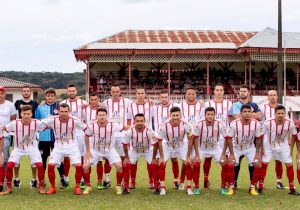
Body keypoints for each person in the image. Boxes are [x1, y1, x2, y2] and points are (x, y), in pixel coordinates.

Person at [42, 103, 87, 195]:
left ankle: (77, 187)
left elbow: (86, 128)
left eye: (66, 111)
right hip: (58, 146)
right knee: (50, 166)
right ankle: (53, 187)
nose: (63, 113)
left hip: (72, 146)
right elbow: (39, 123)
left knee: (78, 165)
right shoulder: (53, 120)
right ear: (58, 111)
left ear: (69, 112)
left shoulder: (75, 120)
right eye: (61, 111)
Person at [1, 105, 46, 195]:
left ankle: (41, 186)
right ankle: (9, 188)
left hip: (32, 148)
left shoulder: (37, 122)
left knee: (40, 166)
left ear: (31, 114)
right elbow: (4, 128)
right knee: (9, 166)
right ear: (21, 114)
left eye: (28, 114)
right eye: (24, 113)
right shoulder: (14, 123)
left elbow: (48, 126)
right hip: (18, 148)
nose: (26, 116)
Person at [83, 108, 127, 195]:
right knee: (85, 166)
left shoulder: (113, 125)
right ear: (97, 116)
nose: (102, 117)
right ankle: (88, 186)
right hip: (95, 150)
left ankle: (118, 186)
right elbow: (86, 136)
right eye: (100, 115)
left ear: (107, 116)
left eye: (103, 115)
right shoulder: (91, 125)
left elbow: (124, 127)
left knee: (119, 166)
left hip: (110, 150)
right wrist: (88, 151)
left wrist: (135, 127)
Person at [193, 107, 234, 195]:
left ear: (214, 115)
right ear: (205, 115)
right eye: (208, 114)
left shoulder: (220, 124)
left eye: (212, 114)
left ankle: (223, 187)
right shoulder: (199, 124)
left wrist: (223, 154)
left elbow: (227, 138)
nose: (210, 116)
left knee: (224, 163)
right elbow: (195, 139)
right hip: (201, 148)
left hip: (215, 148)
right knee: (196, 164)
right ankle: (196, 187)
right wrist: (196, 154)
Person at [259, 105, 300, 195]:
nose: (280, 115)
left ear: (285, 114)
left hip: (283, 145)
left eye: (282, 113)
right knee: (264, 164)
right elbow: (261, 135)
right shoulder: (268, 122)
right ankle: (261, 187)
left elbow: (294, 135)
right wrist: (261, 148)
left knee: (289, 164)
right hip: (269, 145)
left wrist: (291, 148)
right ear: (275, 114)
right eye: (278, 113)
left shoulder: (290, 123)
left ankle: (292, 188)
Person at [156, 107, 195, 195]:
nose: (175, 117)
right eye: (173, 115)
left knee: (188, 163)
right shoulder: (163, 126)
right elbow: (159, 141)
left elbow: (190, 139)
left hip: (181, 146)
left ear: (180, 115)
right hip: (167, 146)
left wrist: (188, 156)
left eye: (177, 115)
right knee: (161, 164)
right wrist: (161, 157)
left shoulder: (186, 125)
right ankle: (162, 188)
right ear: (170, 116)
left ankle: (188, 187)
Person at [229, 84, 262, 189]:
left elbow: (260, 117)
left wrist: (246, 114)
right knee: (235, 163)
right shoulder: (235, 105)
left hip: (250, 139)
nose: (242, 93)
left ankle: (252, 184)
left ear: (249, 93)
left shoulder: (254, 105)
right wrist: (252, 115)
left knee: (253, 162)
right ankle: (234, 183)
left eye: (244, 91)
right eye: (241, 91)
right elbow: (236, 117)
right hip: (238, 139)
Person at [201, 83, 232, 189]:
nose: (219, 92)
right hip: (211, 134)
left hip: (224, 135)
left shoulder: (229, 103)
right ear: (214, 92)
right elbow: (202, 118)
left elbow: (231, 118)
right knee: (208, 157)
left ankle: (226, 182)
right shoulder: (208, 103)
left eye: (221, 90)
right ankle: (206, 179)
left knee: (225, 159)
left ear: (223, 92)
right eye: (217, 90)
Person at [102, 83, 132, 188]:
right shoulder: (106, 102)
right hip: (110, 133)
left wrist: (148, 100)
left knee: (124, 156)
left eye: (117, 92)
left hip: (123, 133)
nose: (115, 93)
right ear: (110, 92)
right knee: (107, 156)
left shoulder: (127, 101)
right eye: (113, 92)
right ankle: (107, 180)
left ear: (120, 92)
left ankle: (124, 180)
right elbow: (98, 108)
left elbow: (138, 102)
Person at [35, 88, 66, 188]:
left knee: (57, 160)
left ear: (55, 96)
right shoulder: (40, 107)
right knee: (43, 160)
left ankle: (62, 179)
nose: (50, 97)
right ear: (45, 96)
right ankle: (42, 181)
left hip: (56, 138)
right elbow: (37, 120)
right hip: (43, 138)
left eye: (52, 95)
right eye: (48, 95)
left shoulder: (59, 106)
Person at [61, 83, 88, 189]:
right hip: (67, 132)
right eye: (69, 91)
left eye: (73, 91)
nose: (71, 92)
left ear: (76, 91)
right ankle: (66, 179)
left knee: (81, 156)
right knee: (66, 156)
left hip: (80, 132)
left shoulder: (83, 102)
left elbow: (87, 117)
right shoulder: (63, 103)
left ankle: (81, 180)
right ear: (67, 92)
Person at [122, 113, 157, 194]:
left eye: (141, 121)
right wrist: (126, 157)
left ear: (144, 122)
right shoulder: (130, 131)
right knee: (126, 164)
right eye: (137, 121)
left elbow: (155, 145)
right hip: (134, 151)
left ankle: (154, 184)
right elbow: (124, 144)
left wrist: (154, 158)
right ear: (134, 122)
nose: (139, 123)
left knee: (154, 164)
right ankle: (128, 185)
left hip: (148, 151)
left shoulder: (150, 131)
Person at [152, 90, 180, 189]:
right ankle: (159, 182)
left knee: (174, 159)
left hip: (172, 136)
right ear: (159, 98)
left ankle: (176, 180)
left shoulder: (174, 107)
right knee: (162, 160)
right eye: (162, 97)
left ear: (169, 97)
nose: (164, 99)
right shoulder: (155, 108)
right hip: (160, 137)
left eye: (165, 97)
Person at [128, 87, 153, 189]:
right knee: (134, 159)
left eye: (142, 93)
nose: (140, 95)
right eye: (138, 93)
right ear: (136, 94)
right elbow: (129, 119)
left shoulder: (150, 104)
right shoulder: (131, 105)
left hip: (147, 134)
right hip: (135, 134)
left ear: (145, 94)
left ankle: (151, 181)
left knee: (150, 159)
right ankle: (132, 181)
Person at [260, 90, 286, 189]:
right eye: (270, 95)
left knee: (278, 161)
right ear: (268, 97)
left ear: (277, 96)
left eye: (274, 95)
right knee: (264, 161)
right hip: (266, 138)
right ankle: (261, 182)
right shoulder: (263, 108)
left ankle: (279, 182)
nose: (272, 97)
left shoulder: (282, 108)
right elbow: (261, 122)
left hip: (279, 139)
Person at [178, 86, 203, 190]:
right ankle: (182, 181)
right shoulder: (180, 105)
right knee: (185, 160)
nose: (191, 96)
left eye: (193, 94)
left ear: (195, 95)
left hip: (197, 136)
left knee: (195, 161)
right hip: (185, 136)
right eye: (189, 94)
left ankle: (192, 182)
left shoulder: (201, 106)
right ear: (185, 95)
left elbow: (202, 119)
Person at [14, 85, 39, 188]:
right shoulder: (17, 103)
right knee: (16, 159)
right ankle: (16, 179)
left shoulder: (35, 104)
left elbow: (37, 116)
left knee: (33, 159)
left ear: (30, 92)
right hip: (19, 132)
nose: (26, 92)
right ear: (22, 92)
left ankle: (34, 180)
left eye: (28, 91)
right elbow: (14, 116)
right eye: (24, 91)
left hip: (32, 133)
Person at [82, 92, 105, 190]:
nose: (94, 102)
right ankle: (87, 182)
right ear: (89, 100)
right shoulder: (85, 110)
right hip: (87, 138)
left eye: (96, 99)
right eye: (92, 100)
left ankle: (99, 181)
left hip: (98, 138)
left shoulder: (102, 110)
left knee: (99, 161)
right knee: (87, 160)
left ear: (98, 100)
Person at [0, 86, 17, 189]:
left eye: (2, 93)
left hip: (5, 135)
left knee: (5, 157)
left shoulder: (10, 105)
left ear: (5, 94)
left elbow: (13, 120)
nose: (0, 95)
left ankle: (6, 179)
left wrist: (7, 129)